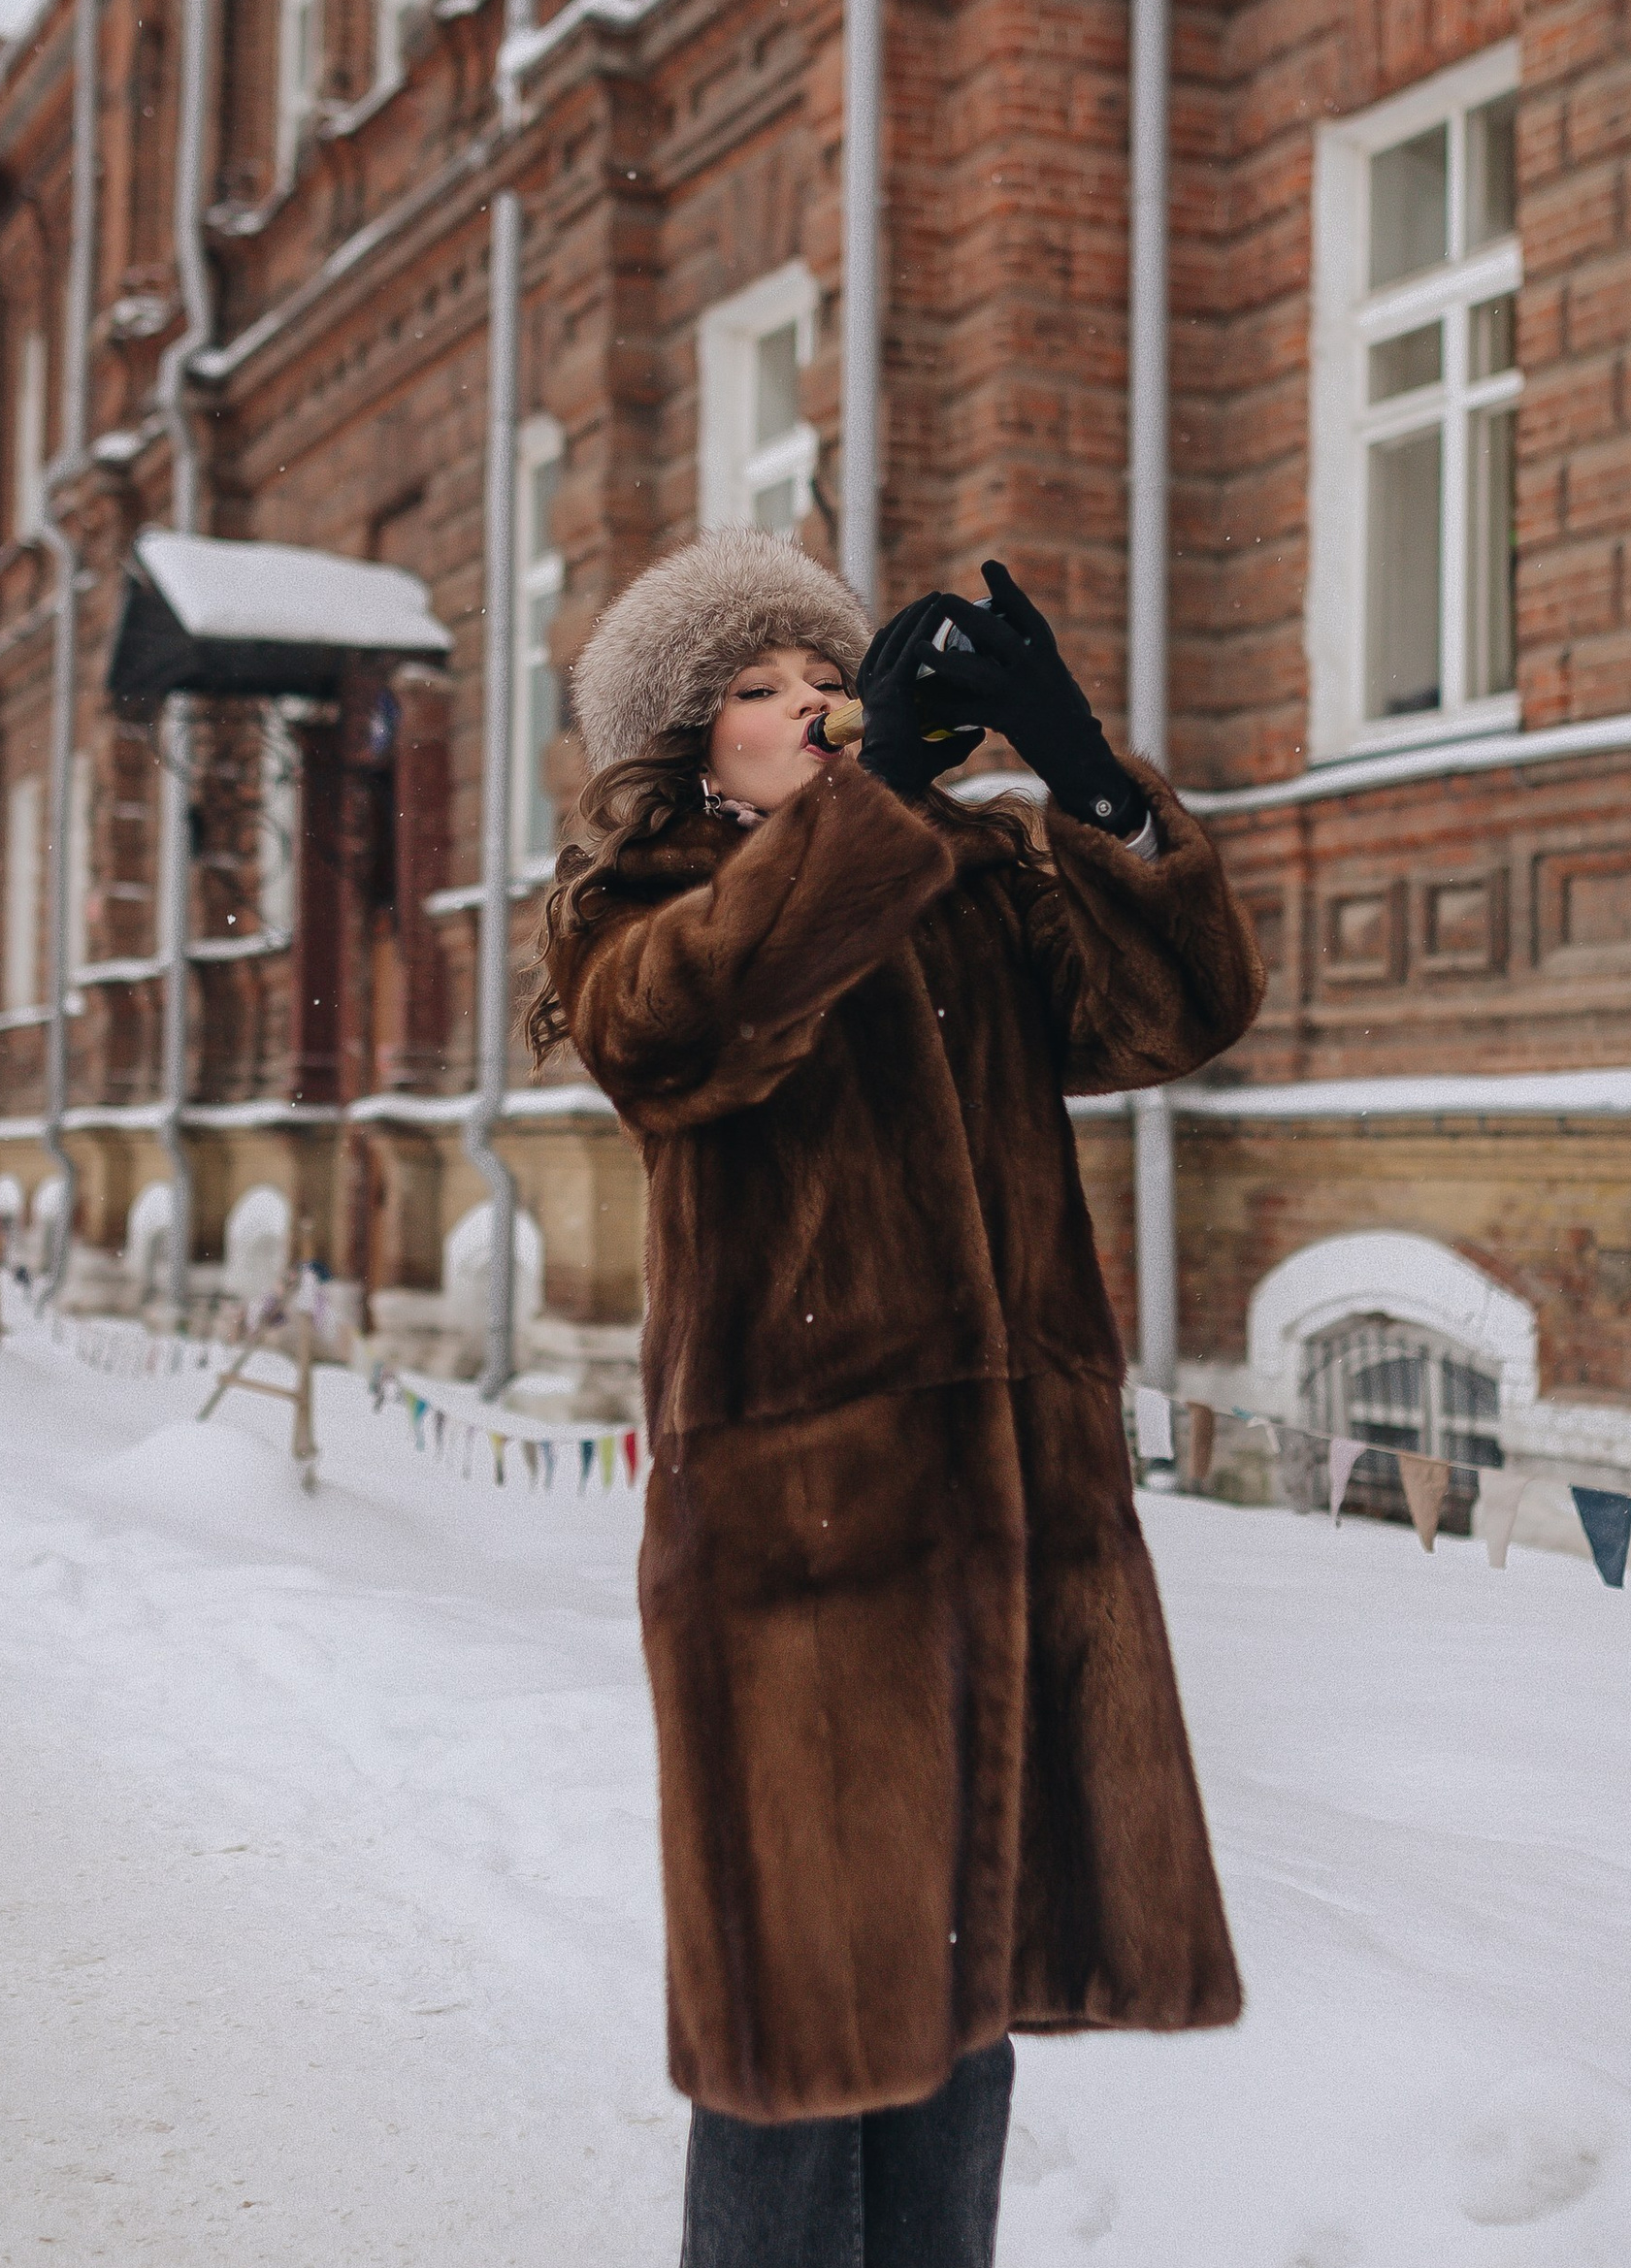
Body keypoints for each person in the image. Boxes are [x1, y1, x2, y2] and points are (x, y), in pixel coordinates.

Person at [530, 528, 1264, 2268]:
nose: (808, 709)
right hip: (803, 1570)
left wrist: (1084, 784)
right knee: (801, 2058)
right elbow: (692, 1025)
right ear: (685, 747)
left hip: (1009, 1545)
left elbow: (1179, 1013)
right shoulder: (634, 916)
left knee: (956, 2045)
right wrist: (887, 811)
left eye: (826, 678)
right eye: (754, 689)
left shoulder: (967, 876)